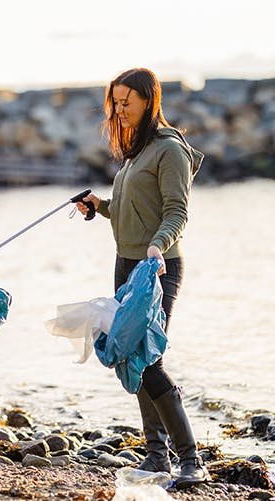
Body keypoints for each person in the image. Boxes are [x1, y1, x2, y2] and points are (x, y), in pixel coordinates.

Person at [76, 68, 208, 489]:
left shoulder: (169, 149)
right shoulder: (138, 150)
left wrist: (159, 245)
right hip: (126, 265)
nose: (119, 109)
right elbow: (133, 207)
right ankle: (156, 457)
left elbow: (176, 212)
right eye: (114, 101)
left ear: (149, 100)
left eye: (126, 101)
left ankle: (190, 460)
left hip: (158, 268)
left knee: (148, 359)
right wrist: (100, 206)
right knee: (135, 361)